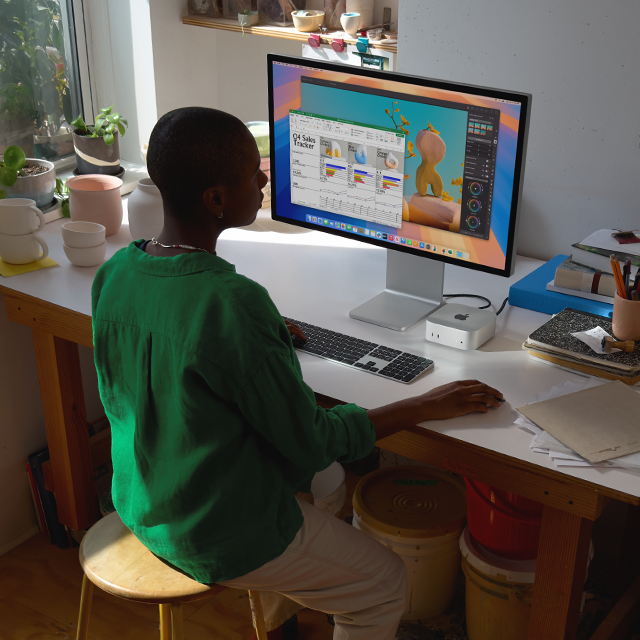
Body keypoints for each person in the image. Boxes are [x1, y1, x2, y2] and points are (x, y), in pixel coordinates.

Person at [91, 107, 504, 640]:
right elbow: (310, 442)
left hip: (147, 501)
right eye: (251, 170)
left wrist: (259, 337)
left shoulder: (117, 273)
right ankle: (324, 589)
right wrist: (421, 405)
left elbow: (164, 365)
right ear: (215, 199)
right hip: (214, 533)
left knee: (329, 485)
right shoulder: (233, 305)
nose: (265, 175)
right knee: (384, 583)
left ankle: (295, 601)